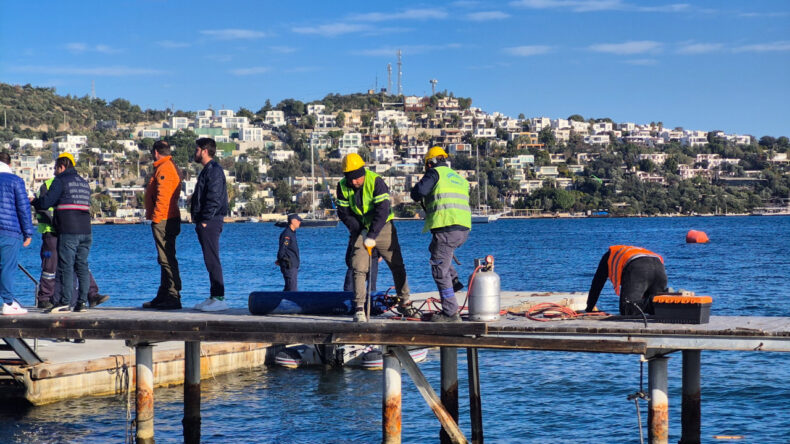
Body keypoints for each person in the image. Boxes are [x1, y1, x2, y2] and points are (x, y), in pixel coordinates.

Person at [336, 153, 415, 322]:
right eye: (350, 178)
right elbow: (343, 213)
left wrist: (372, 235)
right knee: (358, 267)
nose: (354, 182)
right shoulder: (342, 186)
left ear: (362, 172)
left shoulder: (376, 181)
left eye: (357, 178)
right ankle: (359, 308)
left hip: (383, 227)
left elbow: (383, 210)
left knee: (397, 265)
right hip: (360, 229)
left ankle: (404, 302)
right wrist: (360, 230)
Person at [34, 158, 108, 310]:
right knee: (81, 265)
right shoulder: (83, 183)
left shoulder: (59, 181)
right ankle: (82, 302)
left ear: (61, 167)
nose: (54, 171)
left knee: (65, 266)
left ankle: (64, 301)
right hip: (86, 230)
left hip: (64, 230)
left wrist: (33, 202)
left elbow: (45, 204)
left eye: (55, 167)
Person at [410, 146, 471, 322]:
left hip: (446, 226)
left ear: (430, 163)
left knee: (438, 269)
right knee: (436, 252)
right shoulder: (458, 177)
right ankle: (453, 280)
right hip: (463, 228)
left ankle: (450, 312)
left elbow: (419, 193)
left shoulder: (435, 173)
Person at [142, 140, 183, 309]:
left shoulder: (165, 168)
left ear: (156, 152)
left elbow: (163, 196)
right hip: (166, 217)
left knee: (166, 258)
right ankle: (164, 293)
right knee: (164, 258)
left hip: (164, 219)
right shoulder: (164, 166)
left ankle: (173, 295)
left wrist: (157, 218)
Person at [190, 138, 229, 312]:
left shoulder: (214, 171)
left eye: (197, 150)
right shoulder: (208, 170)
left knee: (212, 258)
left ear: (204, 151)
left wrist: (205, 220)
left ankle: (219, 298)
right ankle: (214, 296)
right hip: (207, 221)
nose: (195, 152)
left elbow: (214, 197)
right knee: (209, 258)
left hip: (211, 221)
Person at [585, 245, 668, 315]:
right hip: (659, 266)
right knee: (659, 308)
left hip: (638, 266)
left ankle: (652, 301)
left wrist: (589, 308)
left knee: (626, 308)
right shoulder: (629, 251)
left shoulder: (609, 255)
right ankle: (666, 301)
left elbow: (597, 284)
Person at [0, 151, 33, 315]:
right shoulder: (16, 181)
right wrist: (28, 232)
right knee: (7, 266)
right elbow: (23, 207)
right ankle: (7, 303)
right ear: (10, 164)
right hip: (9, 230)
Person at [275, 213, 301, 291]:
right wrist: (281, 261)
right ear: (293, 221)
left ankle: (280, 302)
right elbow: (282, 249)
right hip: (289, 266)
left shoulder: (292, 233)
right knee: (292, 289)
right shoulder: (287, 234)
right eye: (298, 220)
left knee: (288, 289)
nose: (300, 222)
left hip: (293, 265)